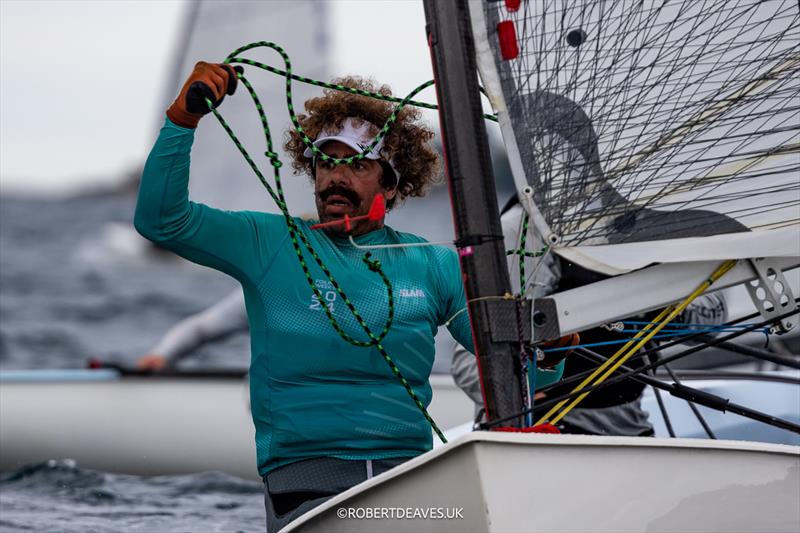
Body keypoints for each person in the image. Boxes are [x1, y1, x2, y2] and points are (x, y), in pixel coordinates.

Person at [134, 62, 563, 532]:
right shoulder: (270, 244)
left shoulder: (432, 265)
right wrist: (182, 120)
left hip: (411, 486)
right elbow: (162, 222)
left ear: (391, 184)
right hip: (308, 486)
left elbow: (511, 361)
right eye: (327, 162)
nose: (336, 177)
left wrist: (552, 348)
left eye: (357, 164)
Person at [452, 197, 727, 434]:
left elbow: (714, 318)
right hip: (543, 433)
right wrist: (515, 392)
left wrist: (653, 298)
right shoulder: (523, 230)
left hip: (629, 426)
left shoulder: (660, 220)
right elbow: (468, 360)